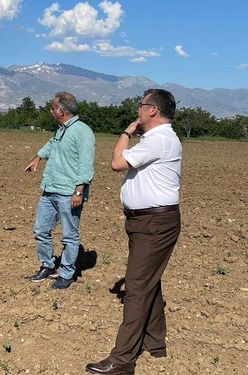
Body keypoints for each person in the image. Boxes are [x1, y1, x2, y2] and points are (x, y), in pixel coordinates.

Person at [86, 89, 181, 374]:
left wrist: (126, 132)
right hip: (149, 222)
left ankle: (123, 359)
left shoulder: (159, 139)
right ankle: (155, 342)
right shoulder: (159, 139)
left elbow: (116, 163)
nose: (137, 110)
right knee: (149, 282)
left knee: (137, 288)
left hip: (153, 223)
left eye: (140, 105)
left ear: (152, 110)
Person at [24, 92, 95, 289]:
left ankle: (66, 273)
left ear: (61, 111)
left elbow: (86, 164)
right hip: (50, 189)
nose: (51, 111)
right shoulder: (61, 130)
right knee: (40, 230)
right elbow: (51, 145)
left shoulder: (83, 132)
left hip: (68, 193)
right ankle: (47, 265)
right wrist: (38, 157)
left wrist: (79, 192)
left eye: (53, 108)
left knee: (69, 236)